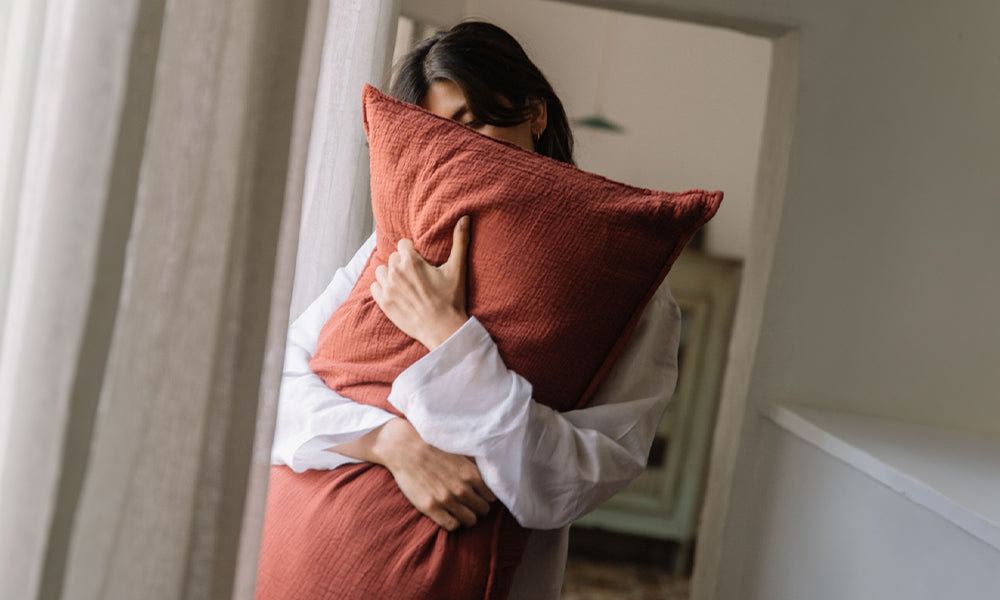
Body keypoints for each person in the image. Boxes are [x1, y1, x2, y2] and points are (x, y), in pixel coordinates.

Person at [269, 21, 681, 600]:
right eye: (443, 135)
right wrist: (390, 443)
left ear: (535, 113)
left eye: (478, 120)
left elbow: (577, 479)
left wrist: (447, 338)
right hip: (291, 553)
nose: (466, 154)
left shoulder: (617, 276)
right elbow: (275, 388)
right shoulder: (398, 243)